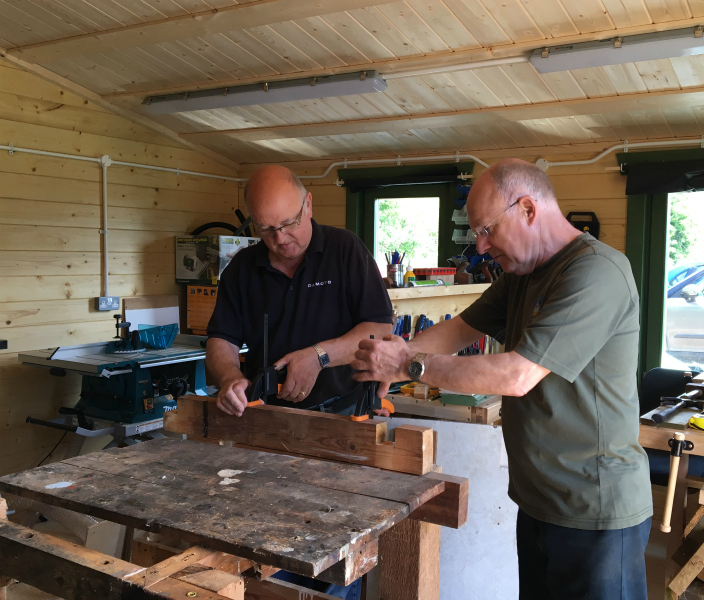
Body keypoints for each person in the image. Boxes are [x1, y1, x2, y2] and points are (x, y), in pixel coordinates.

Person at [351, 159, 652, 600]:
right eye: (476, 233)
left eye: (487, 229)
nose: (481, 246)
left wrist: (408, 367)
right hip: (539, 503)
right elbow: (458, 329)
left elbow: (517, 374)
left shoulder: (596, 272)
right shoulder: (521, 274)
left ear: (528, 209)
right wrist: (397, 356)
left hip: (597, 511)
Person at [205, 164, 393, 600]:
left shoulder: (346, 250)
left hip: (344, 425)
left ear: (309, 204)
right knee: (267, 547)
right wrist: (230, 376)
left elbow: (381, 331)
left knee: (336, 555)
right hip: (267, 428)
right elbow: (221, 339)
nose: (279, 238)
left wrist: (319, 357)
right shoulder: (243, 269)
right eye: (266, 229)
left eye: (288, 224)